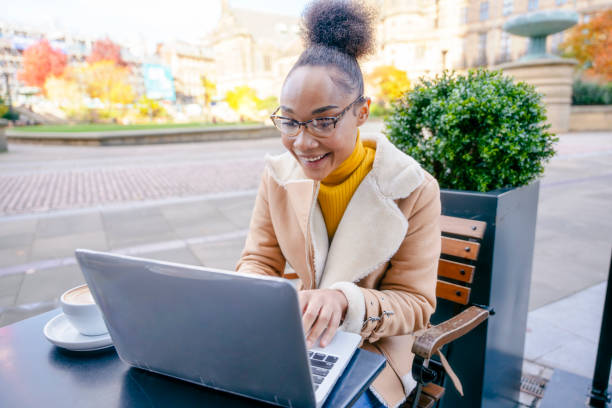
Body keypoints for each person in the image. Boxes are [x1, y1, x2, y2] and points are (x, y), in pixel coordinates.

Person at [236, 1, 441, 407]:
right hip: (295, 340)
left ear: (362, 112)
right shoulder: (277, 174)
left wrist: (347, 301)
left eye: (324, 120)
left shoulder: (414, 188)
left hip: (373, 356)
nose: (303, 142)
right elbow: (257, 261)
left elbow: (417, 305)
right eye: (290, 121)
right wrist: (266, 301)